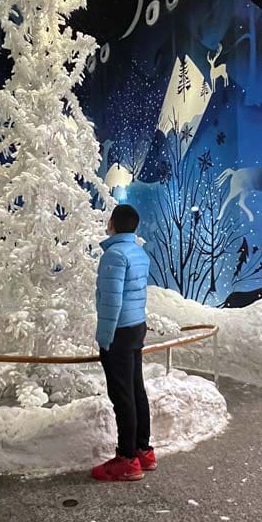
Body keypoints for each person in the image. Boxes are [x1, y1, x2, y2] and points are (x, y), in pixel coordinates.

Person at [91, 204, 156, 481]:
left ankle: (127, 459)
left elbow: (111, 301)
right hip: (136, 327)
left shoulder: (114, 255)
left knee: (123, 395)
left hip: (118, 331)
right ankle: (143, 450)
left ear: (114, 223)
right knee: (136, 389)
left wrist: (104, 338)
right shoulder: (138, 253)